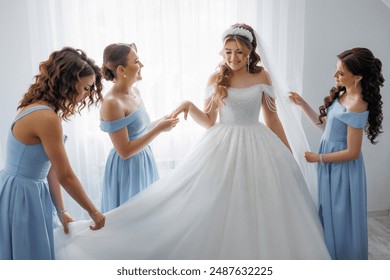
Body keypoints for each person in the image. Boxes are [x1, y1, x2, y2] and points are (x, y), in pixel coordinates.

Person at [54, 24, 330, 260]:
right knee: (216, 204)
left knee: (262, 202)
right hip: (223, 144)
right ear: (223, 51)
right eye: (228, 51)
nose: (233, 57)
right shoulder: (216, 77)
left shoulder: (262, 77)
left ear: (250, 53)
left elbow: (272, 119)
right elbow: (210, 120)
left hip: (258, 142)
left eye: (240, 53)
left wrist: (286, 151)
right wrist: (188, 105)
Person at [0, 47, 106, 260]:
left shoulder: (37, 107)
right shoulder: (46, 118)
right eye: (85, 88)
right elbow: (65, 174)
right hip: (22, 195)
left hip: (19, 189)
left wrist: (61, 211)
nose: (86, 94)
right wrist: (94, 212)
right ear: (69, 82)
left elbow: (50, 169)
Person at [289, 47, 384, 259]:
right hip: (330, 165)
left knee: (342, 216)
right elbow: (325, 127)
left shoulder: (358, 105)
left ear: (358, 77)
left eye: (340, 73)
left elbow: (352, 152)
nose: (335, 76)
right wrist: (302, 103)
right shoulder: (342, 95)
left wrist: (318, 158)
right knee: (328, 211)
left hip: (343, 170)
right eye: (336, 70)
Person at [99, 43, 179, 212]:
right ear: (121, 70)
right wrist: (159, 129)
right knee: (131, 218)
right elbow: (125, 151)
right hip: (127, 168)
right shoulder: (112, 103)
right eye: (136, 61)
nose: (141, 65)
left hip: (144, 160)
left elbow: (138, 131)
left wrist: (160, 122)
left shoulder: (136, 92)